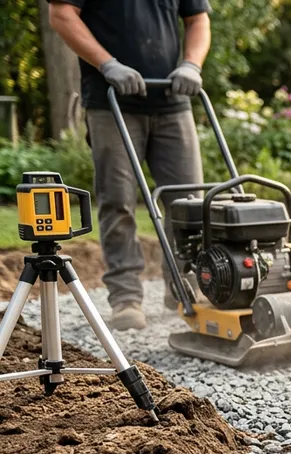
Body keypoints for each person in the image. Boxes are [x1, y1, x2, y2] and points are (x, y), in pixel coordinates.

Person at [49, 0, 211, 330]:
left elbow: (198, 19)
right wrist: (107, 63)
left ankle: (184, 285)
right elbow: (62, 14)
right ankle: (125, 296)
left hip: (172, 100)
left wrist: (192, 65)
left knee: (189, 204)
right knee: (118, 200)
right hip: (111, 102)